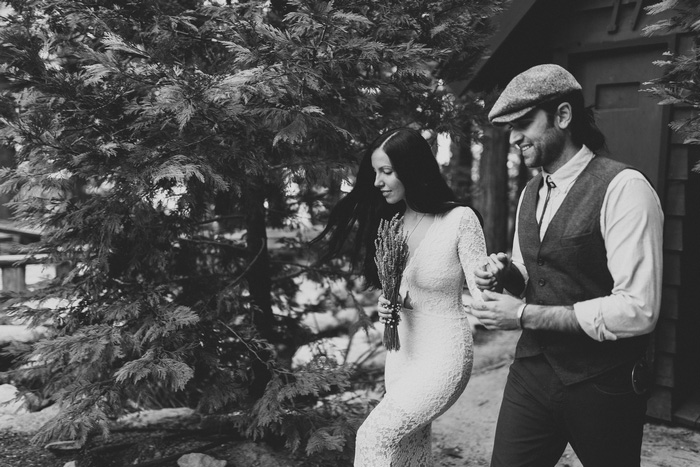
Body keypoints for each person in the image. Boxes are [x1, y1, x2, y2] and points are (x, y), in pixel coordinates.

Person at [471, 64, 664, 467]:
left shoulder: (624, 188)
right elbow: (532, 275)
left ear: (562, 116)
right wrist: (505, 273)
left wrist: (523, 315)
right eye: (510, 128)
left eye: (524, 123)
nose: (515, 137)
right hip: (531, 375)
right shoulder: (529, 192)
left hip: (603, 382)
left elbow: (638, 310)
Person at [312, 127, 487, 466]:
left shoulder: (459, 220)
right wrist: (391, 302)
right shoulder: (391, 220)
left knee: (374, 436)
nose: (377, 181)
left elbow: (485, 295)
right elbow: (400, 287)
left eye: (386, 171)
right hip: (401, 354)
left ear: (412, 170)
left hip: (443, 354)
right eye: (375, 171)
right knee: (409, 449)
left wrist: (498, 277)